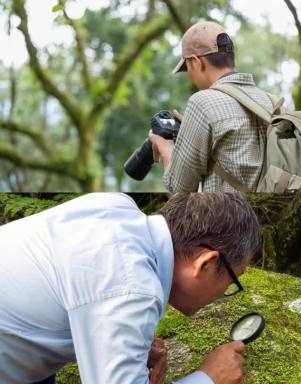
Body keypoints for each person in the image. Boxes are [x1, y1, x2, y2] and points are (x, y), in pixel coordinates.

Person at [0, 192, 262, 383]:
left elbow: (80, 285)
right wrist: (209, 378)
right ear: (205, 263)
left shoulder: (115, 206)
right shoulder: (131, 287)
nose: (223, 295)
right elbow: (115, 289)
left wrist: (130, 347)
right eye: (232, 281)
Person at [149, 21, 274, 193]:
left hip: (229, 215)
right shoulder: (271, 102)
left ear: (196, 62)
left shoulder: (202, 103)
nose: (189, 76)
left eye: (187, 68)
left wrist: (166, 150)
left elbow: (178, 188)